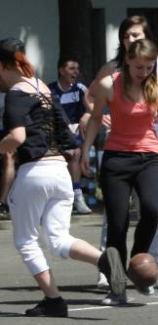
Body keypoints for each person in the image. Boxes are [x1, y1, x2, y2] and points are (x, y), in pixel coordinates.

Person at [0, 37, 125, 317]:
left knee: (26, 241)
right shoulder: (44, 89)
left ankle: (54, 300)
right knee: (58, 239)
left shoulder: (16, 94)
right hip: (60, 172)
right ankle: (104, 260)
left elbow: (17, 137)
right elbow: (67, 135)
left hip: (34, 173)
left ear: (2, 66)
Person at [80, 39, 158, 304]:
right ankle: (117, 287)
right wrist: (85, 151)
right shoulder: (109, 84)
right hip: (117, 159)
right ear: (127, 60)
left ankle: (138, 267)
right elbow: (96, 119)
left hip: (150, 157)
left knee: (151, 211)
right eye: (139, 66)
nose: (144, 72)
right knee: (117, 224)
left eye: (149, 67)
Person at [48, 57, 93, 215]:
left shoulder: (80, 89)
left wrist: (86, 116)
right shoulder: (50, 90)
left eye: (77, 69)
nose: (76, 72)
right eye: (72, 68)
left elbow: (92, 107)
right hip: (56, 132)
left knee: (75, 152)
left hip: (75, 131)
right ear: (61, 70)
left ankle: (78, 196)